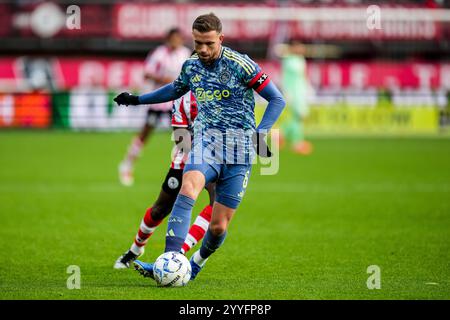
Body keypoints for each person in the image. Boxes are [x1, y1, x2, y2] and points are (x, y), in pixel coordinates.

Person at [114, 13, 285, 280]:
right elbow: (173, 90)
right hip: (207, 143)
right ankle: (170, 260)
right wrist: (137, 100)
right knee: (189, 187)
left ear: (221, 39)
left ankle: (194, 265)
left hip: (240, 151)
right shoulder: (191, 65)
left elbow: (277, 100)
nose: (203, 49)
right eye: (197, 43)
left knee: (218, 227)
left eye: (208, 43)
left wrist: (261, 134)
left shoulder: (241, 64)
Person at [114, 92, 215, 269]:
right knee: (160, 209)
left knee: (217, 207)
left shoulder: (223, 91)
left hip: (219, 158)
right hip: (187, 159)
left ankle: (179, 255)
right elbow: (180, 138)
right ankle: (136, 249)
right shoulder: (183, 97)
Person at [118, 28, 191, 186]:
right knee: (145, 133)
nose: (175, 42)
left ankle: (185, 171)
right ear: (168, 39)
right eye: (173, 39)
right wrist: (165, 79)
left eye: (178, 39)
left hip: (177, 103)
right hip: (159, 103)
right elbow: (147, 73)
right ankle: (127, 165)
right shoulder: (159, 54)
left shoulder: (185, 54)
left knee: (181, 136)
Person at [277, 40, 313, 155]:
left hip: (301, 92)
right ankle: (297, 142)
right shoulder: (289, 61)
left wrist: (308, 89)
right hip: (294, 93)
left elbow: (303, 77)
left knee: (297, 117)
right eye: (298, 47)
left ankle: (282, 134)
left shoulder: (300, 60)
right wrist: (287, 93)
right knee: (299, 116)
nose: (301, 49)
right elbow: (285, 79)